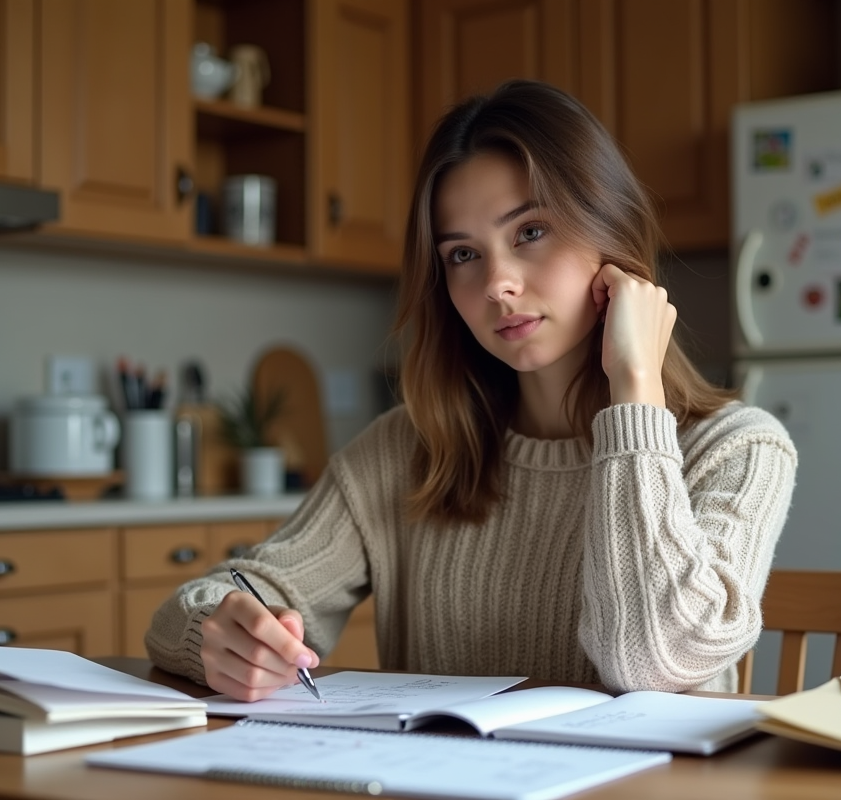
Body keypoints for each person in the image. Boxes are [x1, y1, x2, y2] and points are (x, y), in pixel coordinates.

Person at [145, 79, 797, 701]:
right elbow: (210, 604)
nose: (497, 283)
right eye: (462, 254)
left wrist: (634, 391)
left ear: (612, 234)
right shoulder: (407, 451)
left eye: (530, 232)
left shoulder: (738, 448)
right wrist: (218, 632)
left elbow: (653, 660)